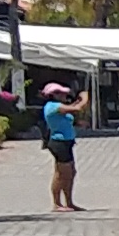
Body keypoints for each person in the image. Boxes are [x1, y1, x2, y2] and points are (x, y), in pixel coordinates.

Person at [41, 81, 81, 211]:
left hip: (67, 141)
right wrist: (84, 99)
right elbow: (76, 108)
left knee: (70, 173)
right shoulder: (53, 106)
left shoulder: (60, 106)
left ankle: (69, 202)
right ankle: (57, 203)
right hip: (59, 142)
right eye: (60, 93)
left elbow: (73, 108)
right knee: (62, 173)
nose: (64, 95)